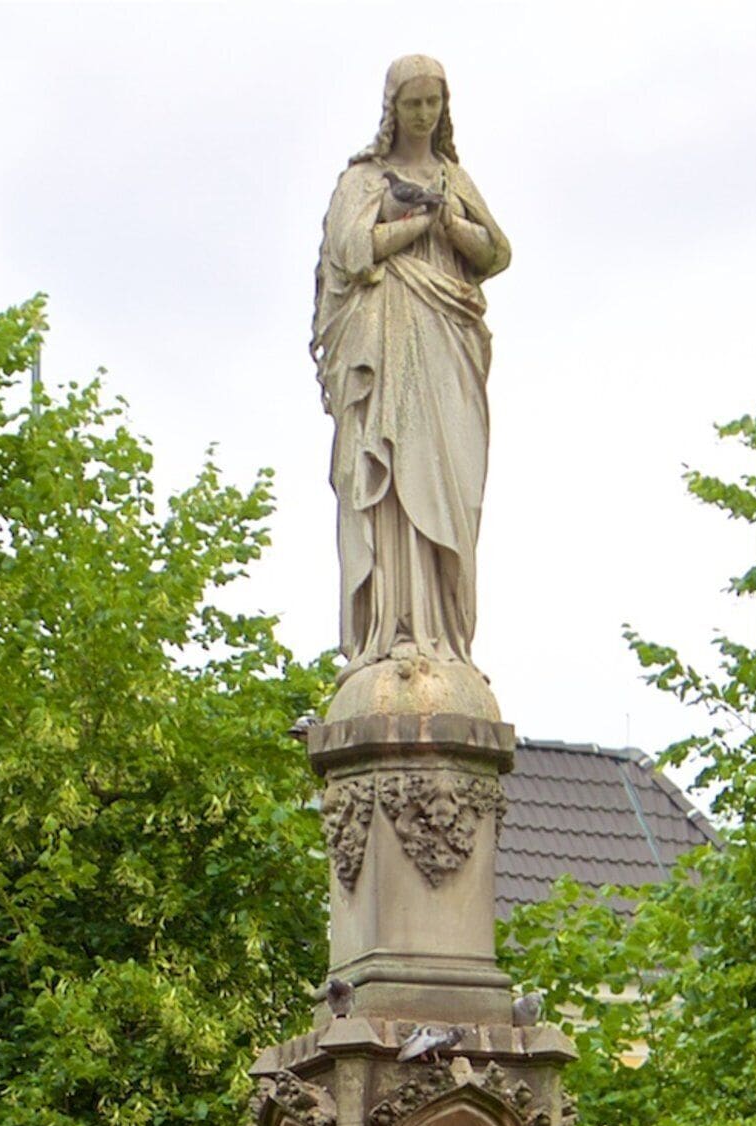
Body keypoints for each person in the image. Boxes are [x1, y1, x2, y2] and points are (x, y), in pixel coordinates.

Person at [311, 56, 512, 669]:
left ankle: (446, 635)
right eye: (412, 104)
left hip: (448, 340)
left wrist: (447, 222)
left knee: (452, 482)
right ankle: (392, 627)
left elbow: (497, 252)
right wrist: (411, 226)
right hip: (385, 340)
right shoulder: (363, 180)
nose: (423, 114)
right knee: (390, 477)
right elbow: (349, 250)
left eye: (433, 103)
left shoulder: (455, 178)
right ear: (391, 109)